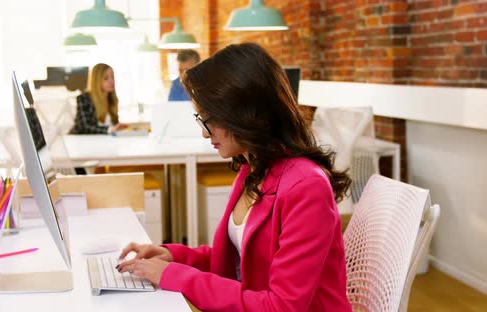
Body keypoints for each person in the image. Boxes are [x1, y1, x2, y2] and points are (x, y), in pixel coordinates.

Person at [117, 43, 353, 311]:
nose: (205, 133)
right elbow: (241, 261)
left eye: (210, 120)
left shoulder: (306, 186)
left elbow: (281, 306)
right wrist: (173, 257)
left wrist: (173, 275)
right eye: (201, 119)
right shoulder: (251, 168)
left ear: (244, 114)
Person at [69, 63, 128, 134]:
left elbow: (113, 126)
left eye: (112, 77)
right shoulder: (84, 99)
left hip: (105, 141)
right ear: (97, 80)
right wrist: (110, 130)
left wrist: (118, 128)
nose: (111, 81)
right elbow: (85, 127)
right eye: (106, 78)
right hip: (84, 142)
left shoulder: (112, 100)